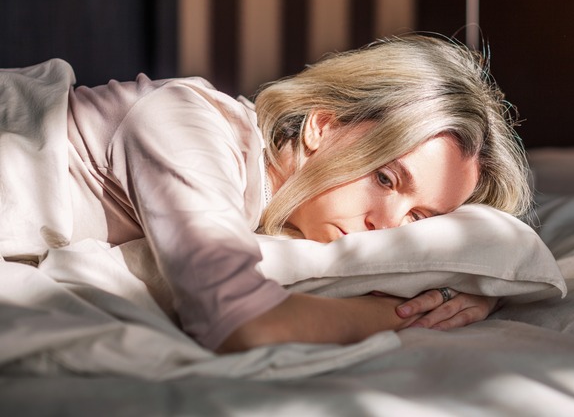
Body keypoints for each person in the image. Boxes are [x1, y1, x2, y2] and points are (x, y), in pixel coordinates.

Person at [0, 34, 532, 353]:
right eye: (385, 178)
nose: (387, 227)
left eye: (419, 218)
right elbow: (243, 325)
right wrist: (415, 311)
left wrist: (463, 286)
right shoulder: (187, 125)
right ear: (321, 126)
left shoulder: (268, 210)